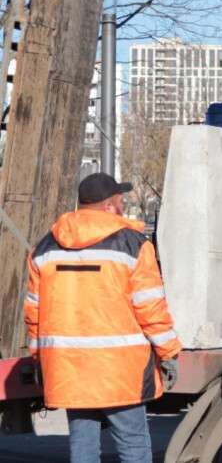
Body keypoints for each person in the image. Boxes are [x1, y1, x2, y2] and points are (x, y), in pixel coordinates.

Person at [23, 172, 182, 463]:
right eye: (121, 199)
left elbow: (34, 312)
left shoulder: (44, 249)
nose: (123, 205)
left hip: (70, 368)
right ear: (110, 206)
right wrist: (169, 351)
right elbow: (150, 307)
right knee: (133, 446)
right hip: (120, 371)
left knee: (83, 448)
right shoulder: (134, 245)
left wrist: (39, 357)